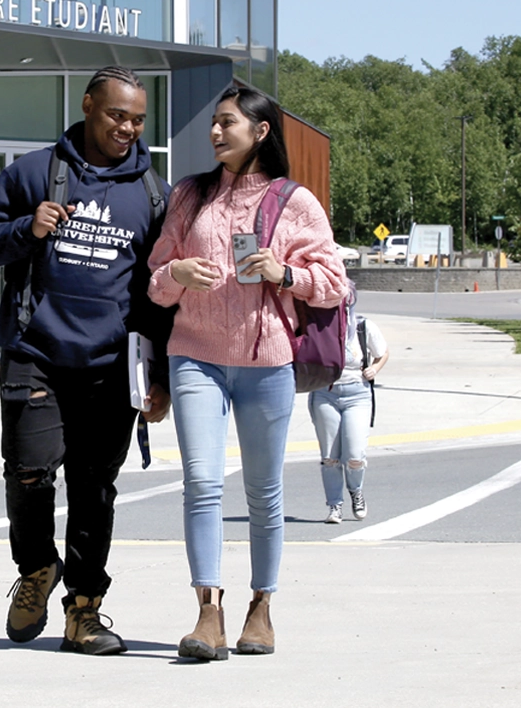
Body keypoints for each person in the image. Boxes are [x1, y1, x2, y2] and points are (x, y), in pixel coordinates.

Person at [0, 66, 172, 656]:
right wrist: (27, 229)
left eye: (137, 119)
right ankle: (36, 568)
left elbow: (157, 293)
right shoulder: (34, 172)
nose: (128, 128)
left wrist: (158, 375)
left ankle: (85, 612)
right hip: (36, 354)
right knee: (28, 472)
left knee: (93, 490)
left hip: (111, 365)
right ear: (87, 106)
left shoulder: (154, 195)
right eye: (116, 115)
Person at [146, 83, 347, 660]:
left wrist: (286, 274)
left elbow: (335, 285)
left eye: (226, 123)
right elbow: (156, 283)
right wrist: (177, 273)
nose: (214, 132)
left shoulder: (295, 202)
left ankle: (262, 607)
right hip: (196, 357)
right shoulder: (188, 196)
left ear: (259, 132)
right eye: (213, 122)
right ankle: (208, 610)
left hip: (268, 365)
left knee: (264, 491)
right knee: (203, 484)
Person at [309, 284, 389, 524]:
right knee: (330, 456)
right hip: (325, 393)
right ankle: (335, 506)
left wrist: (374, 368)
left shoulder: (364, 327)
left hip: (357, 395)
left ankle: (356, 491)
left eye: (343, 302)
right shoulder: (319, 327)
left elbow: (382, 352)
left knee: (354, 454)